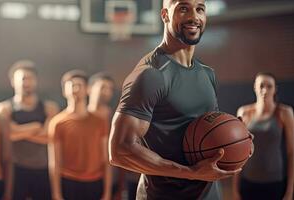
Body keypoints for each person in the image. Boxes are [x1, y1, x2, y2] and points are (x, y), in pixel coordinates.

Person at [108, 0, 242, 199]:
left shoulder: (207, 74)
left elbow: (209, 132)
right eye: (183, 8)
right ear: (165, 15)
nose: (194, 17)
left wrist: (238, 140)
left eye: (200, 9)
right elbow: (120, 151)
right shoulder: (150, 75)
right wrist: (191, 173)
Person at [0, 60, 59, 200]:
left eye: (30, 78)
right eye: (23, 78)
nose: (27, 82)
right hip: (14, 169)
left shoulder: (50, 107)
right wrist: (36, 127)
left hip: (42, 169)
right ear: (13, 81)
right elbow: (6, 136)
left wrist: (17, 131)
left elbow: (49, 137)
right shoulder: (3, 108)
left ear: (36, 81)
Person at [48, 70, 112, 200]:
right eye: (72, 85)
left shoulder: (100, 122)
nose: (76, 89)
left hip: (95, 182)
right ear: (64, 91)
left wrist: (107, 192)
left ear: (88, 89)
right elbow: (55, 162)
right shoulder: (57, 123)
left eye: (80, 85)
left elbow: (106, 160)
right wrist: (56, 194)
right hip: (69, 182)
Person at [233, 72, 293, 200]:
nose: (264, 90)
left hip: (275, 183)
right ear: (255, 87)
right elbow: (238, 153)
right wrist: (235, 189)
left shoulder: (284, 113)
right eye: (261, 86)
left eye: (269, 86)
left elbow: (291, 152)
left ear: (275, 89)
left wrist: (290, 192)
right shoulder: (244, 112)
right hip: (248, 182)